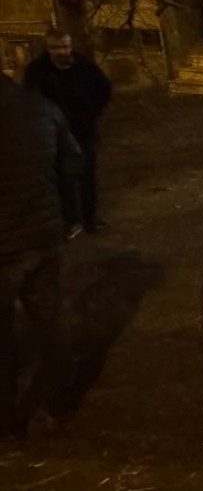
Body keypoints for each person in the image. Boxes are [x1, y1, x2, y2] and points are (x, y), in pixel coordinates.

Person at [0, 73, 83, 438]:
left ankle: (6, 414)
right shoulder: (41, 108)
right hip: (41, 236)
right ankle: (50, 405)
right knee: (48, 321)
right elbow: (72, 163)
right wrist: (71, 216)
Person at [23, 29, 112, 232]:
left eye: (65, 46)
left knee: (86, 174)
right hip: (53, 134)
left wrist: (92, 112)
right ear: (48, 49)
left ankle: (90, 217)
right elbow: (29, 100)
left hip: (82, 129)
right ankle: (69, 220)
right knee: (60, 178)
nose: (61, 51)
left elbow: (103, 88)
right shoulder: (37, 71)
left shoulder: (83, 65)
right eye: (56, 47)